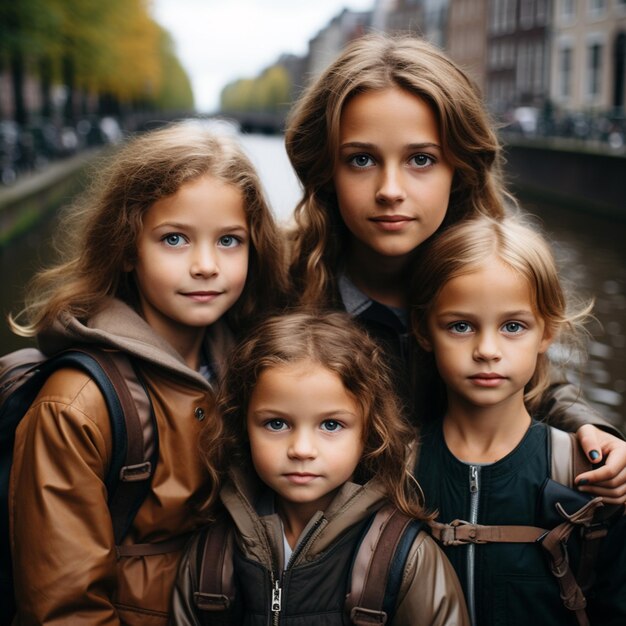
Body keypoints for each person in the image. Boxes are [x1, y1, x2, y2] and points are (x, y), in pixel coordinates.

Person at [284, 32, 626, 498]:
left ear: (459, 169)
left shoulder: (487, 274)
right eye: (361, 159)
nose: (390, 189)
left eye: (421, 159)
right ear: (326, 168)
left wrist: (590, 428)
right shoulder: (280, 282)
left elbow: (531, 382)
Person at [7, 121, 288, 625]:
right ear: (128, 248)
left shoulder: (253, 369)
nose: (206, 265)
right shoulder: (76, 406)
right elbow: (67, 610)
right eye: (175, 239)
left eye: (229, 241)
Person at [170, 311, 470, 625]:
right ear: (243, 427)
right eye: (276, 423)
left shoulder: (403, 559)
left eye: (330, 424)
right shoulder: (212, 556)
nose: (301, 450)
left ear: (368, 432)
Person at [410, 215, 626, 625]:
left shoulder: (586, 477)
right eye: (460, 326)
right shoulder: (400, 470)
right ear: (423, 330)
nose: (487, 349)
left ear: (546, 331)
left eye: (513, 326)